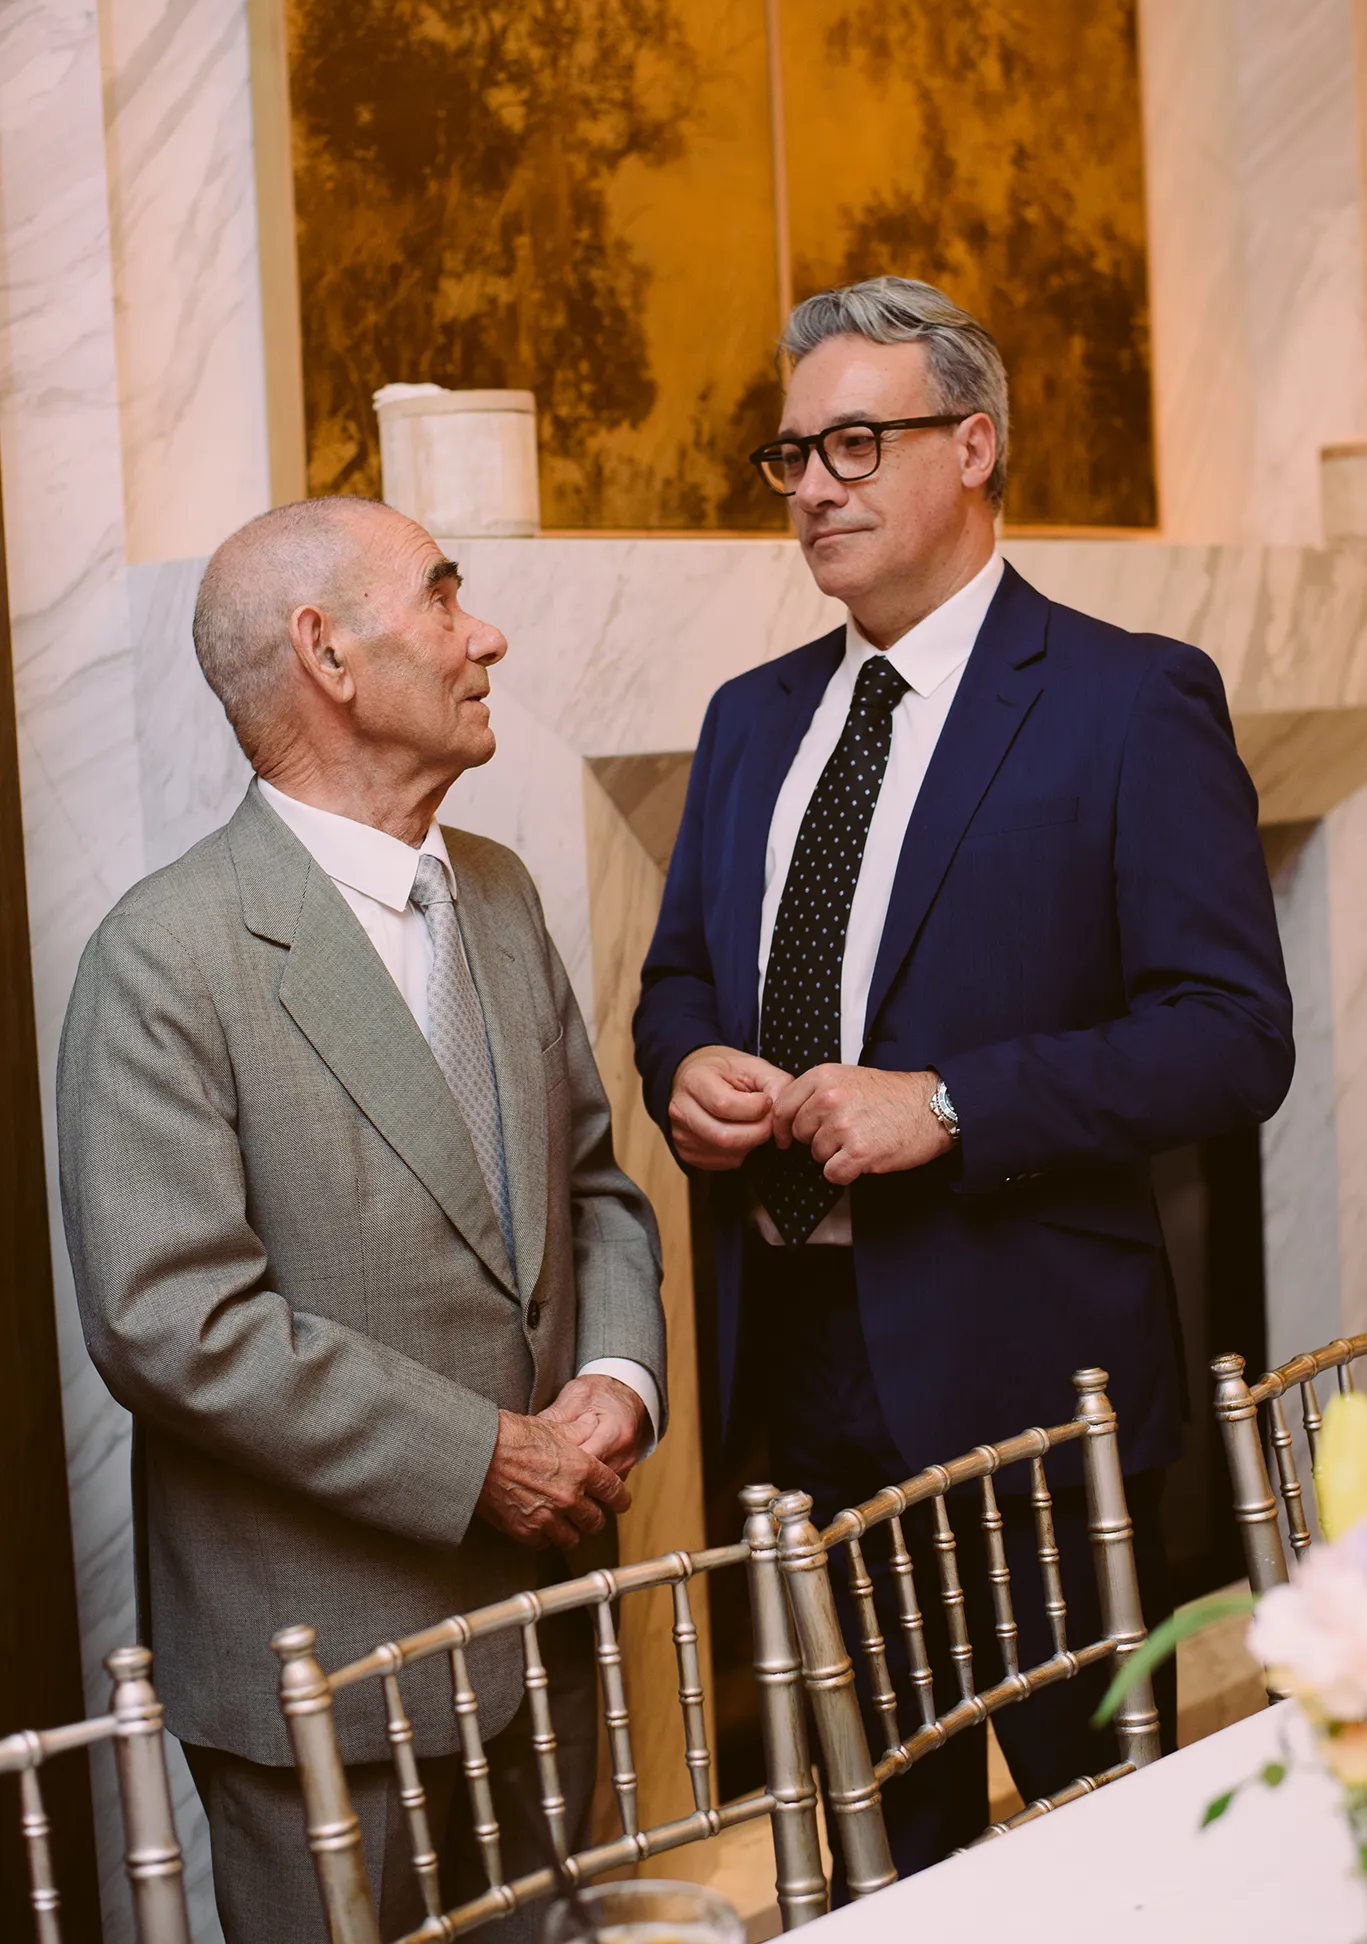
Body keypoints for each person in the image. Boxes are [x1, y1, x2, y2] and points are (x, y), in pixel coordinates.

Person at [634, 276, 1293, 1870]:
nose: (812, 486)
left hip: (1032, 1389)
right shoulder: (746, 721)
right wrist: (687, 1064)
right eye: (791, 454)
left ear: (975, 444)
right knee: (878, 1853)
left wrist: (944, 1104)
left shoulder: (1127, 698)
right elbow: (676, 980)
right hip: (791, 1373)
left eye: (854, 443)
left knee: (1103, 1850)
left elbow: (1230, 1035)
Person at [58, 497, 666, 1944]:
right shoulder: (162, 956)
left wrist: (618, 1380)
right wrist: (483, 1459)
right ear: (326, 655)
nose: (485, 635)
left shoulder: (499, 894)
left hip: (544, 1642)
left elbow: (594, 1187)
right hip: (326, 1678)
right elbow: (173, 1324)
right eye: (444, 597)